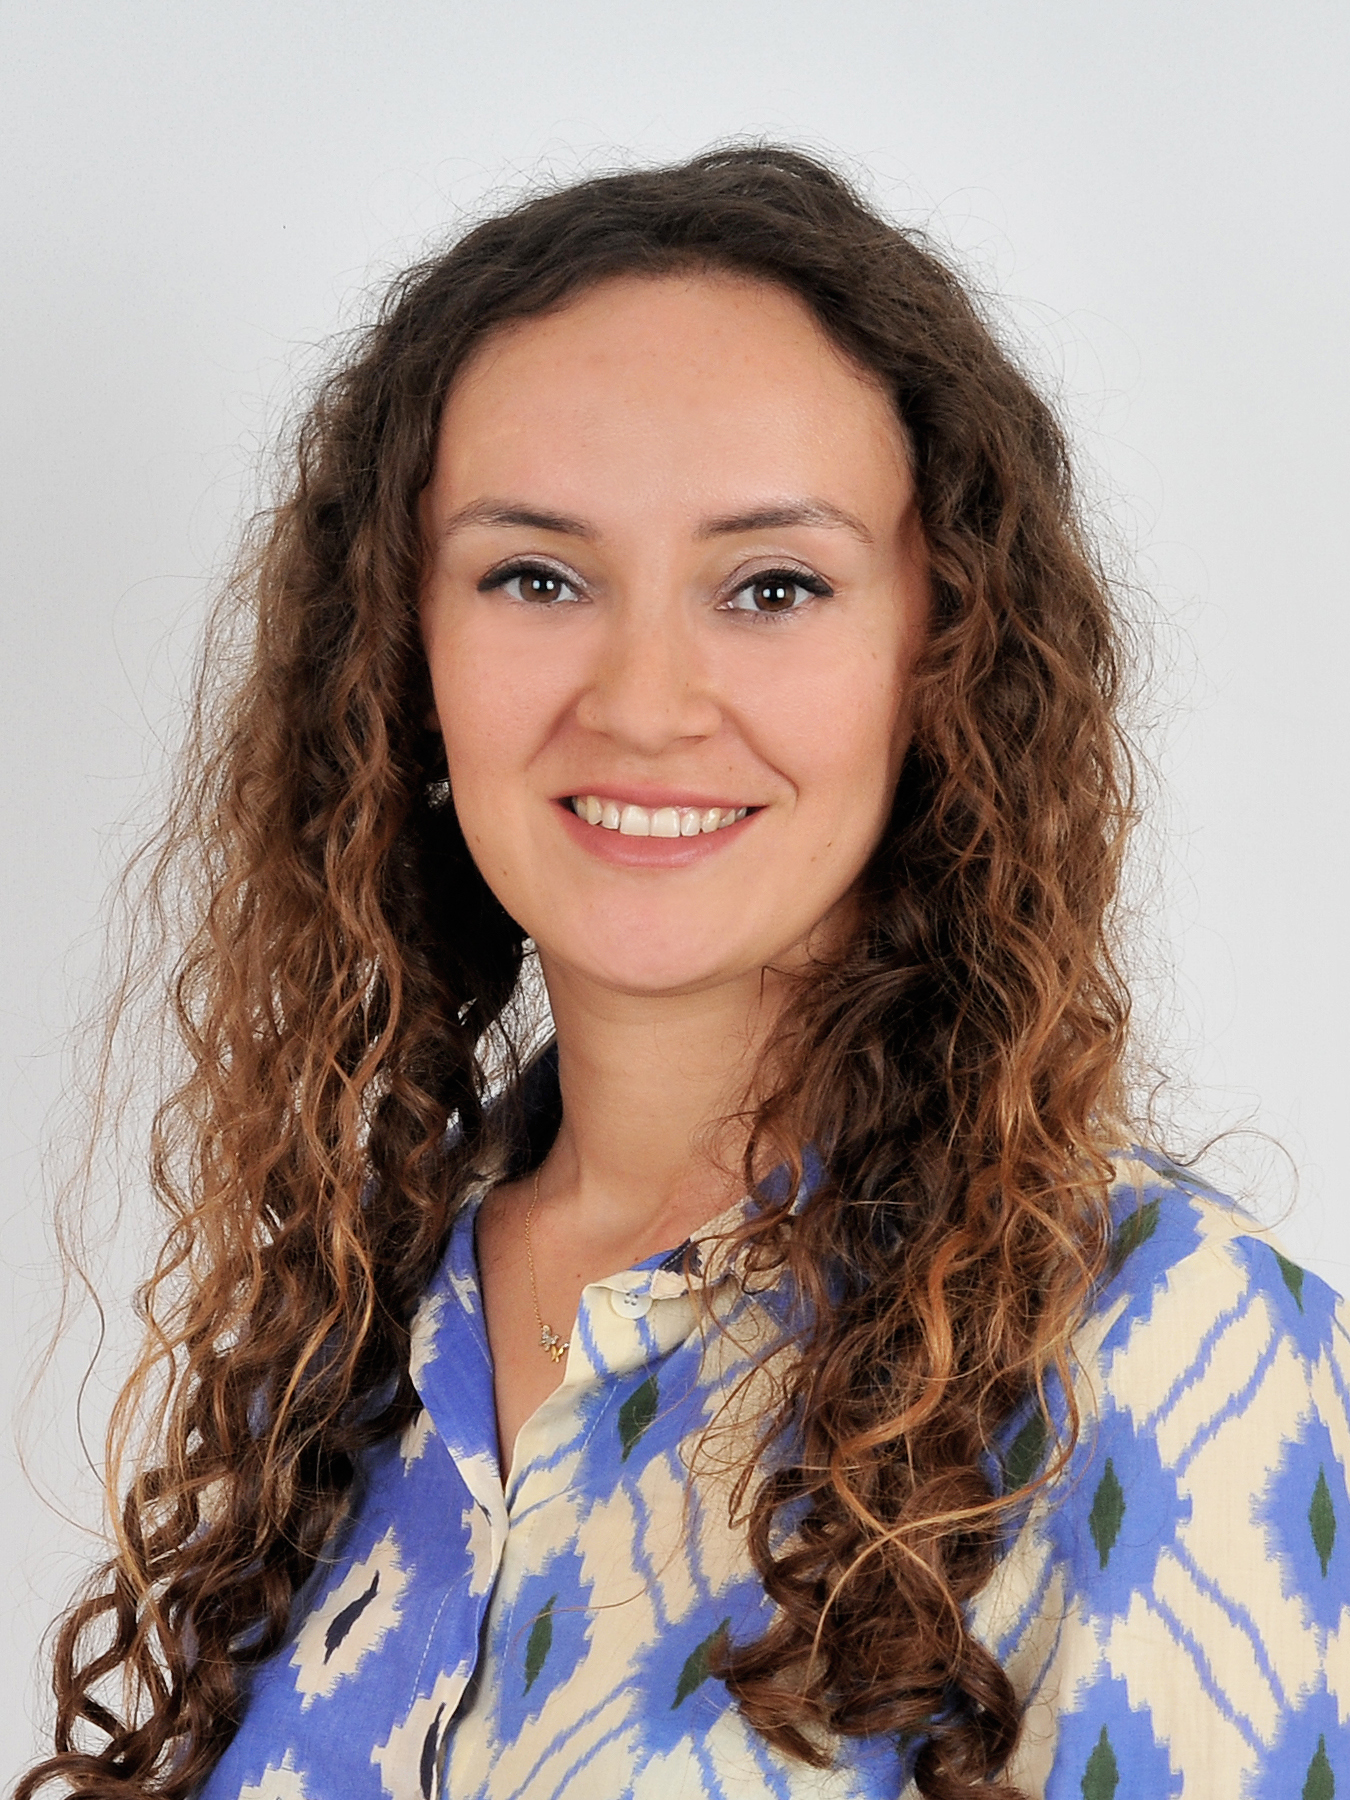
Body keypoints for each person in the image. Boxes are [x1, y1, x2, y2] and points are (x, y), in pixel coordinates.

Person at [19, 146, 1347, 1800]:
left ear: (941, 651)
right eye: (536, 577)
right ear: (401, 655)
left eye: (772, 586)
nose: (644, 702)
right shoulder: (351, 1348)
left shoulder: (1169, 1347)